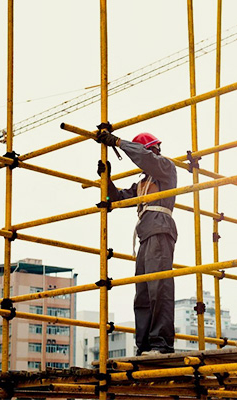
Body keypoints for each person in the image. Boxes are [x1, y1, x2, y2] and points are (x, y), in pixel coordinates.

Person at [96, 129, 177, 355]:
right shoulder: (142, 184)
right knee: (142, 292)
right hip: (145, 235)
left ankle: (161, 343)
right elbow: (116, 200)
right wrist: (107, 180)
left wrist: (120, 143)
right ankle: (145, 345)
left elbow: (146, 158)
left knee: (158, 287)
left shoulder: (165, 169)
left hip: (160, 230)